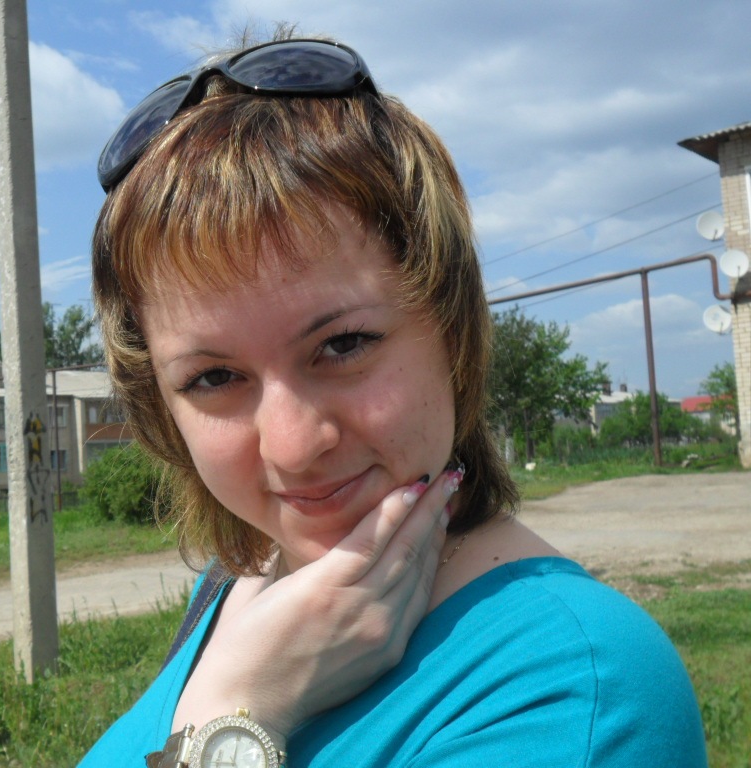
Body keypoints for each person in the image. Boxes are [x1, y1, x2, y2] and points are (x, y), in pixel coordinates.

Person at [78, 31, 707, 768]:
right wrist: (246, 691)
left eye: (343, 344)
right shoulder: (238, 584)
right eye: (214, 378)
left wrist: (229, 722)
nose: (292, 446)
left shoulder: (574, 691)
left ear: (450, 325)